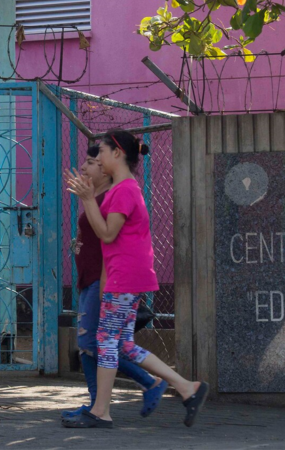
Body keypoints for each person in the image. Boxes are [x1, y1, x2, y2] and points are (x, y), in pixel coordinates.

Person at [63, 130, 208, 429]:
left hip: (127, 278)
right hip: (123, 277)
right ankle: (186, 388)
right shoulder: (122, 188)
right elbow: (108, 244)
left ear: (117, 153)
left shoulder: (126, 190)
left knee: (105, 342)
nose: (97, 159)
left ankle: (100, 411)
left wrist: (88, 198)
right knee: (123, 345)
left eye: (101, 152)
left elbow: (106, 233)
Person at [61, 145, 169, 422]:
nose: (84, 167)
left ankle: (142, 387)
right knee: (98, 344)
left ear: (106, 170)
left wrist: (105, 284)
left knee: (96, 344)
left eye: (92, 162)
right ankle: (98, 405)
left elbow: (110, 239)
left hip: (105, 281)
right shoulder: (97, 196)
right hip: (92, 280)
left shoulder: (114, 195)